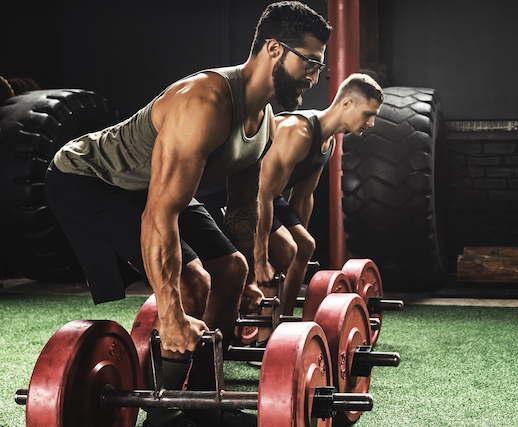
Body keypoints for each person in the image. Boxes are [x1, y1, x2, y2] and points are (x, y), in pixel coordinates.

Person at [44, 2, 331, 426]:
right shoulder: (206, 101)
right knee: (192, 281)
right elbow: (159, 214)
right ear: (273, 48)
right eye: (309, 62)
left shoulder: (266, 119)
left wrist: (252, 275)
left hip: (154, 185)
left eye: (319, 68)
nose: (313, 76)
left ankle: (197, 399)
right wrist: (172, 313)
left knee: (231, 271)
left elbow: (242, 207)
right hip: (92, 178)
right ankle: (159, 414)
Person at [250, 73, 384, 345]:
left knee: (305, 246)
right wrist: (261, 257)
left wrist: (297, 246)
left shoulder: (328, 141)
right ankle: (261, 336)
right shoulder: (297, 131)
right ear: (347, 104)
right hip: (242, 194)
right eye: (368, 114)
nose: (371, 123)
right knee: (286, 248)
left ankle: (281, 328)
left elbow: (303, 196)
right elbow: (260, 192)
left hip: (270, 198)